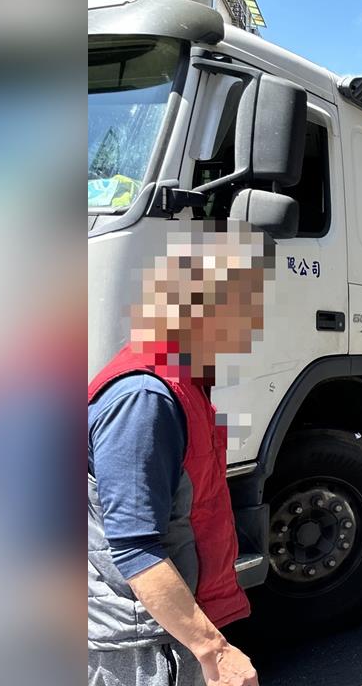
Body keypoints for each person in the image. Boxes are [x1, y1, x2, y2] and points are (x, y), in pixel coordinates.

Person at [88, 222, 273, 686]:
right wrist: (216, 651)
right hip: (143, 643)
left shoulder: (180, 381)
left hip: (162, 630)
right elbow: (134, 546)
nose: (254, 323)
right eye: (243, 306)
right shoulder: (143, 399)